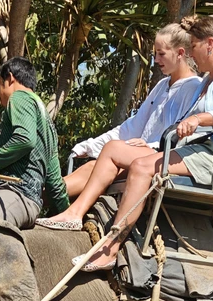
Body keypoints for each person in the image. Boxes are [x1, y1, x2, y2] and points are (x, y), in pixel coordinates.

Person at [64, 15, 213, 270]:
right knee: (126, 157)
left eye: (194, 47)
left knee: (144, 167)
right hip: (199, 152)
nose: (191, 54)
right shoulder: (208, 81)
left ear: (209, 44)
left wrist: (199, 119)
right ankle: (72, 214)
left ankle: (110, 248)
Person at [56, 24, 202, 206]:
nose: (156, 59)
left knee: (101, 163)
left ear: (180, 53)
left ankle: (64, 206)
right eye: (155, 54)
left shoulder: (194, 87)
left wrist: (150, 145)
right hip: (138, 153)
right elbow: (133, 126)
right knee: (93, 165)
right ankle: (46, 195)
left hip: (162, 158)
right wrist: (92, 145)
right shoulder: (162, 85)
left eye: (161, 54)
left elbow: (182, 135)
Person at [0, 57, 69, 229]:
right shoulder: (48, 124)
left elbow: (24, 140)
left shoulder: (20, 97)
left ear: (10, 78)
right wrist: (68, 215)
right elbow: (55, 183)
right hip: (30, 205)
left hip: (14, 194)